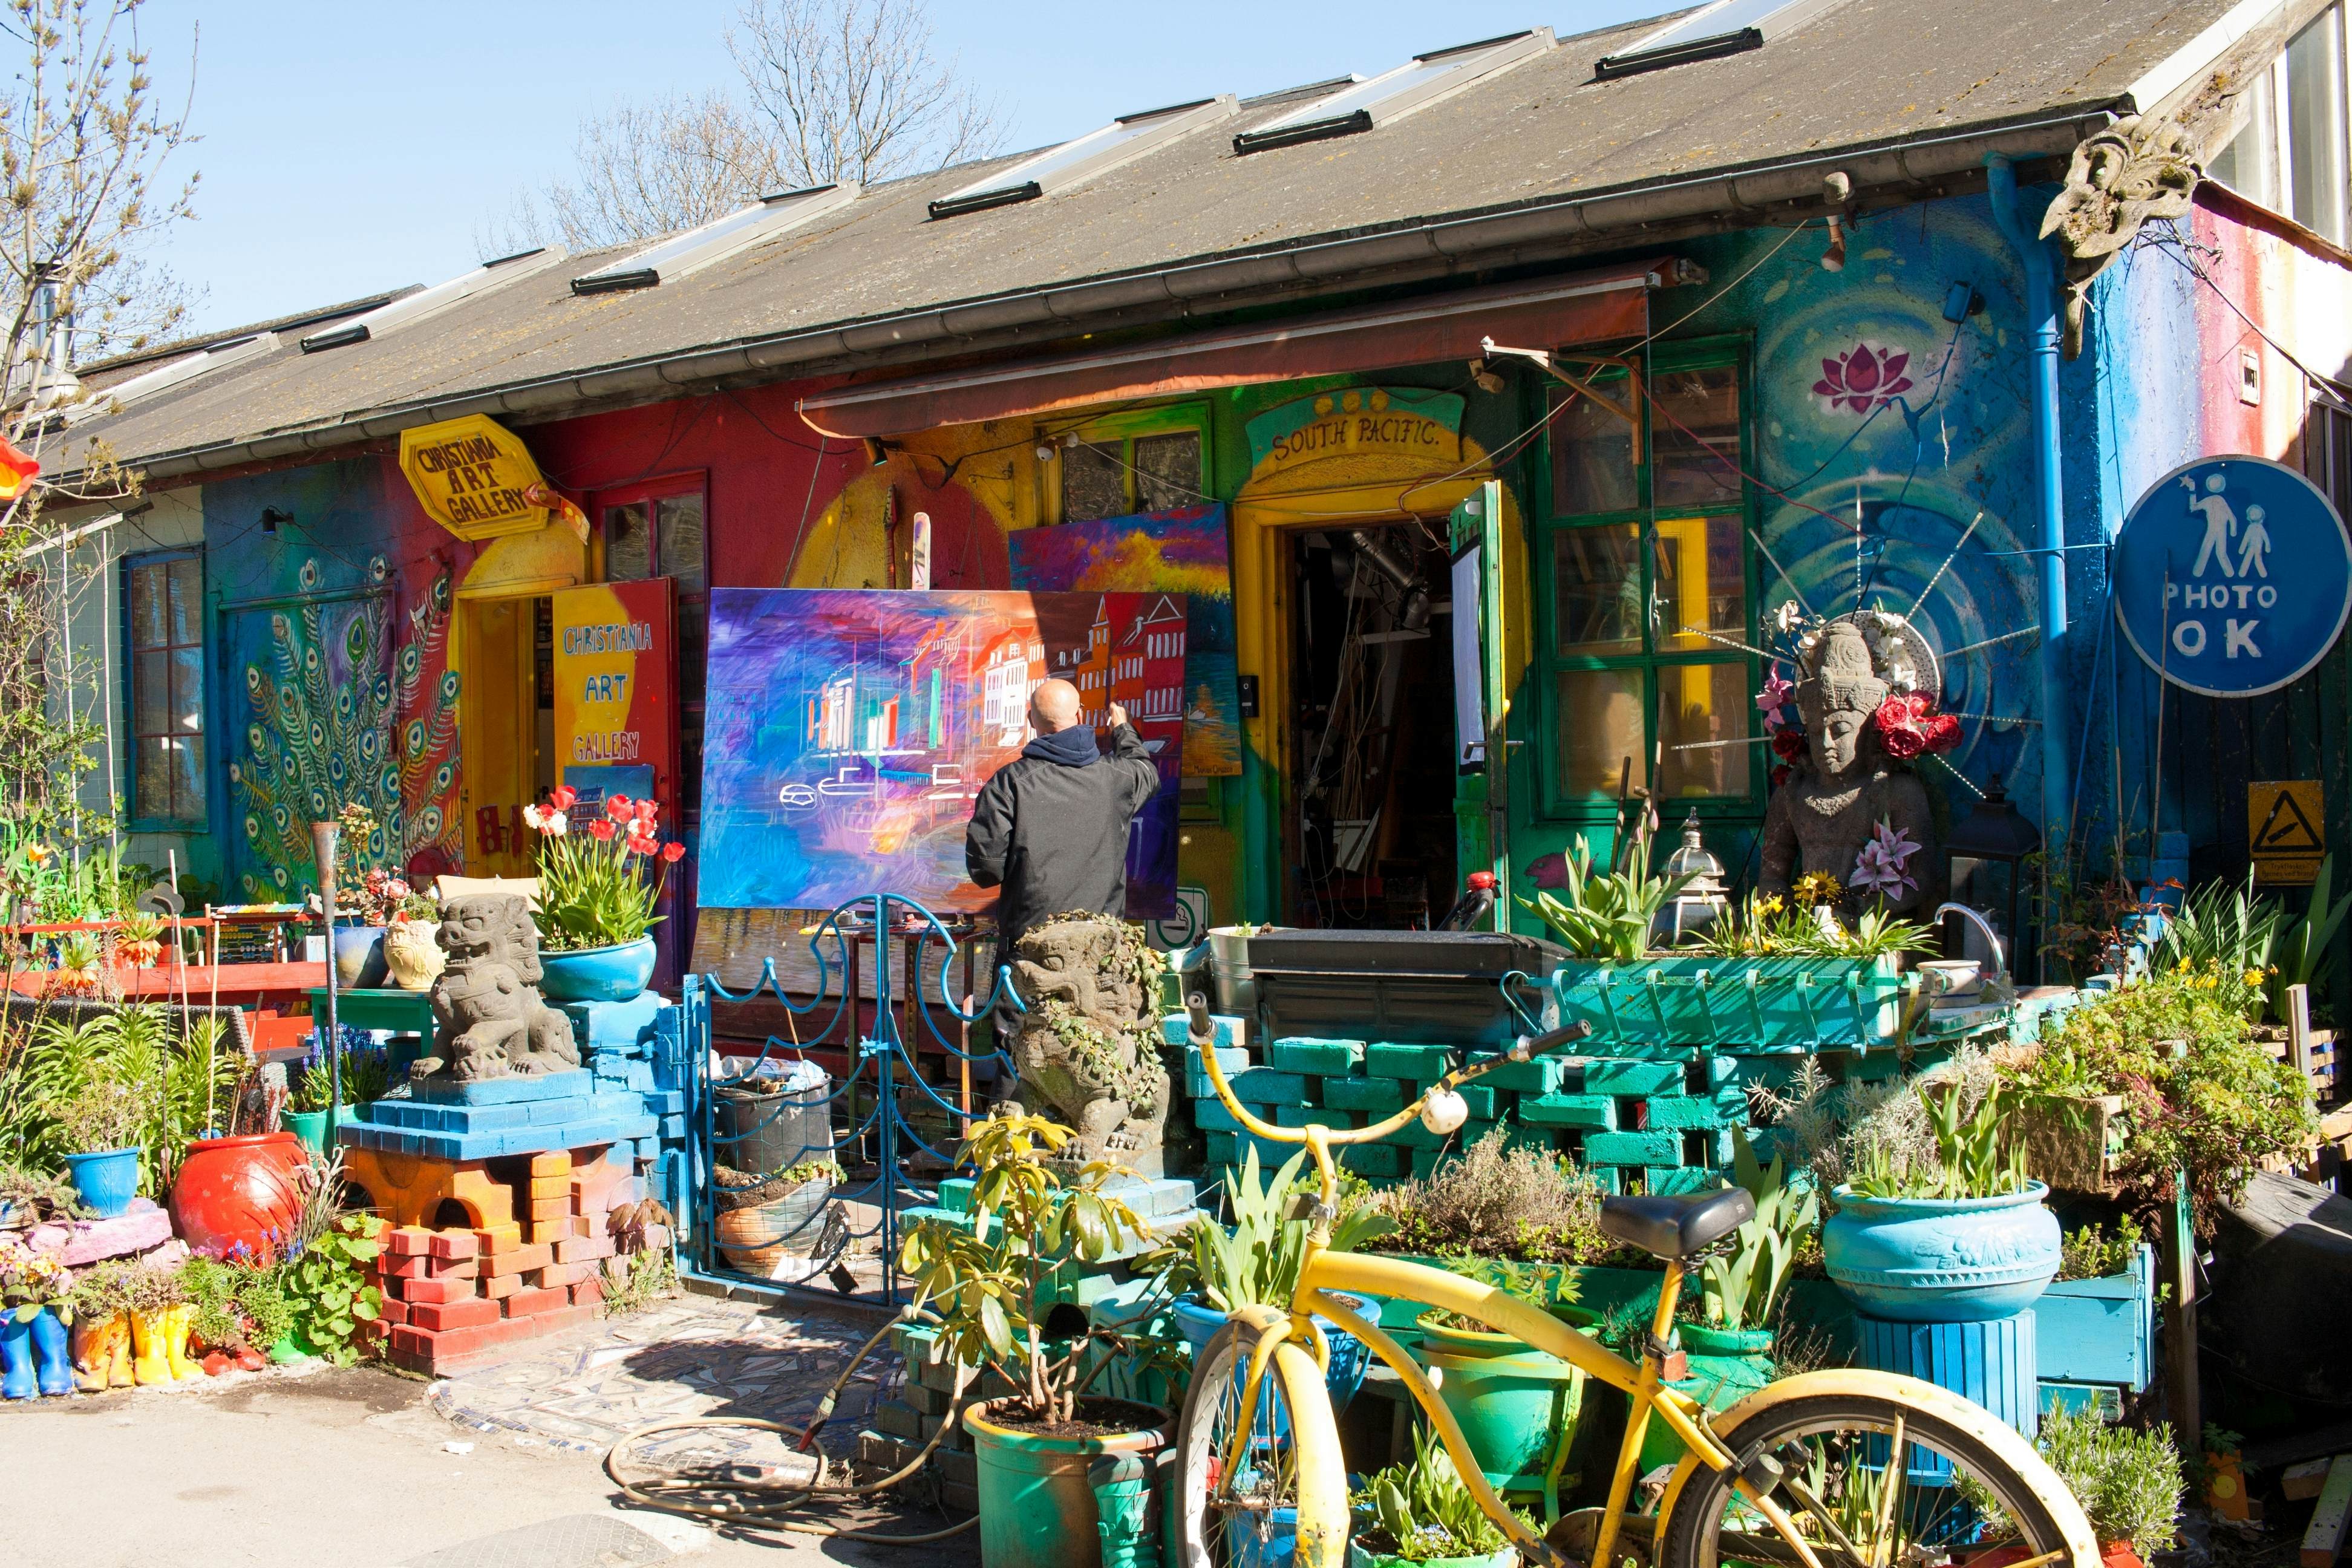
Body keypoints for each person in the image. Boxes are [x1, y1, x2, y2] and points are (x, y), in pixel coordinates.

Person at [965, 678, 1162, 967]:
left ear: (1030, 720)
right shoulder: (1117, 778)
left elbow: (986, 871)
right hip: (1100, 955)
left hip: (1030, 955)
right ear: (1080, 715)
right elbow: (1146, 771)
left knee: (1023, 1000)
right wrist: (1123, 729)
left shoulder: (1009, 783)